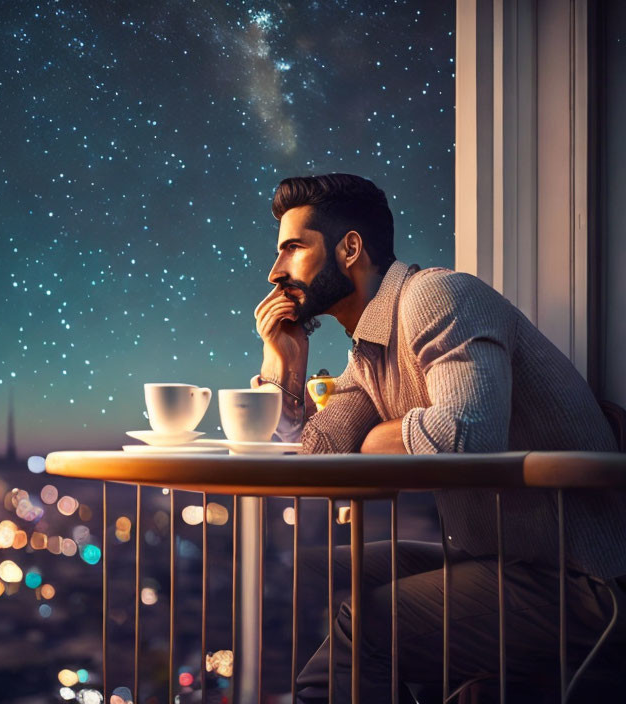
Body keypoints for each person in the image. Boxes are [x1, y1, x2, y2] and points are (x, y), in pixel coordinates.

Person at [251, 173, 625, 702]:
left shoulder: (436, 295)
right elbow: (314, 458)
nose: (274, 272)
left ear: (350, 247)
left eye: (292, 248)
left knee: (366, 626)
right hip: (501, 558)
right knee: (312, 573)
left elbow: (468, 436)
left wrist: (374, 438)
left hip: (589, 582)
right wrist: (283, 367)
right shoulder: (369, 353)